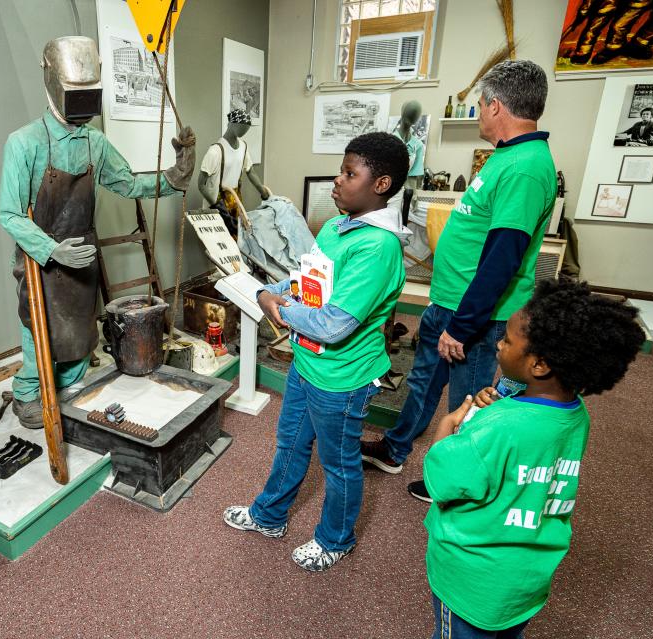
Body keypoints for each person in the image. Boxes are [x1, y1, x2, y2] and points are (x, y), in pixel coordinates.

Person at [361, 59, 557, 503]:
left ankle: (455, 483)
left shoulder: (525, 166)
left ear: (495, 106)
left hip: (476, 317)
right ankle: (395, 450)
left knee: (466, 401)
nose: (482, 112)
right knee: (423, 382)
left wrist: (462, 325)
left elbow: (502, 257)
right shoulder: (508, 156)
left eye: (482, 104)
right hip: (449, 303)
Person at [222, 132, 410, 572]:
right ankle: (270, 516)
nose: (337, 181)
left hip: (343, 379)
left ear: (380, 185)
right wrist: (273, 291)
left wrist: (279, 309)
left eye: (349, 173)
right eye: (341, 171)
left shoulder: (378, 247)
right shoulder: (335, 226)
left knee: (339, 464)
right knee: (289, 443)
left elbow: (333, 323)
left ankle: (335, 539)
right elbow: (306, 279)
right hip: (308, 365)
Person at [422, 280, 644, 638]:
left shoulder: (501, 426)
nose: (498, 344)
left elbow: (443, 481)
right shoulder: (576, 414)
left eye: (507, 340)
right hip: (525, 580)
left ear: (539, 364)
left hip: (472, 579)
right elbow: (527, 453)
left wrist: (449, 426)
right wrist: (496, 412)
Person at [0, 36, 195, 428]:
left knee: (77, 336)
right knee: (39, 335)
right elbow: (10, 214)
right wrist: (52, 250)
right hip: (41, 261)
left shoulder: (95, 143)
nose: (85, 104)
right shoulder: (24, 144)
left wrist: (174, 176)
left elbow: (129, 184)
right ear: (54, 83)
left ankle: (68, 389)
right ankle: (27, 394)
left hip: (82, 257)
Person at [198, 108, 270, 236]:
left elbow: (250, 171)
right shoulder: (215, 151)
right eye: (242, 127)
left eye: (246, 128)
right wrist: (216, 205)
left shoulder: (243, 147)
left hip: (235, 200)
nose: (244, 131)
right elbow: (201, 184)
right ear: (232, 124)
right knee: (219, 241)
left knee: (237, 239)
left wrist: (263, 192)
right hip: (217, 201)